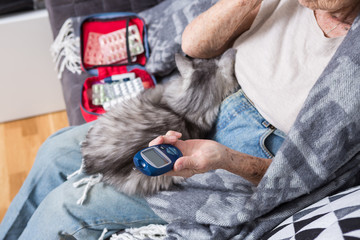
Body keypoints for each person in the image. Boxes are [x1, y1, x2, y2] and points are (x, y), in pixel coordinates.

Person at [1, 0, 359, 239]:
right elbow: (195, 47)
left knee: (68, 208)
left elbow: (312, 178)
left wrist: (224, 159)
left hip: (255, 156)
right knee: (54, 151)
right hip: (206, 105)